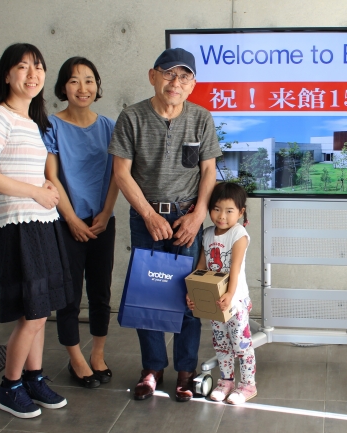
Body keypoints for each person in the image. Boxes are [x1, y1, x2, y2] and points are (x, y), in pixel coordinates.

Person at [109, 47, 221, 402]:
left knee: (189, 296)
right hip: (147, 218)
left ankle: (185, 372)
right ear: (153, 75)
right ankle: (152, 369)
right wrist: (148, 214)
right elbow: (121, 173)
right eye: (169, 73)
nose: (176, 82)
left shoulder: (201, 118)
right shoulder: (132, 117)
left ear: (193, 84)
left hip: (188, 219)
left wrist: (199, 213)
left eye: (184, 76)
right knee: (148, 295)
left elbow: (208, 171)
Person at [0, 43, 72, 418]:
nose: (33, 75)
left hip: (42, 223)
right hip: (19, 227)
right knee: (30, 315)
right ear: (7, 75)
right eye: (23, 67)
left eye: (39, 68)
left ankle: (34, 377)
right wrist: (35, 191)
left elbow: (35, 174)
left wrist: (45, 190)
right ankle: (9, 385)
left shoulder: (32, 122)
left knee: (40, 310)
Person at [43, 57, 118, 388]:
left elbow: (120, 174)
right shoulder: (51, 125)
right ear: (63, 87)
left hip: (103, 221)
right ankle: (75, 358)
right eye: (74, 81)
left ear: (97, 86)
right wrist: (70, 218)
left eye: (89, 80)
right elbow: (50, 175)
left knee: (100, 292)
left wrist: (106, 212)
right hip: (66, 221)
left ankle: (98, 354)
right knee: (69, 295)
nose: (83, 88)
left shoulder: (109, 127)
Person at [187, 182, 257, 404]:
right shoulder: (207, 234)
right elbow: (200, 270)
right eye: (216, 209)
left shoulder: (239, 234)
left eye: (229, 211)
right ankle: (225, 382)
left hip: (235, 301)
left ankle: (248, 386)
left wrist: (229, 296)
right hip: (216, 303)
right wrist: (193, 295)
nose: (222, 216)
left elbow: (234, 270)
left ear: (240, 212)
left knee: (241, 344)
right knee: (221, 344)